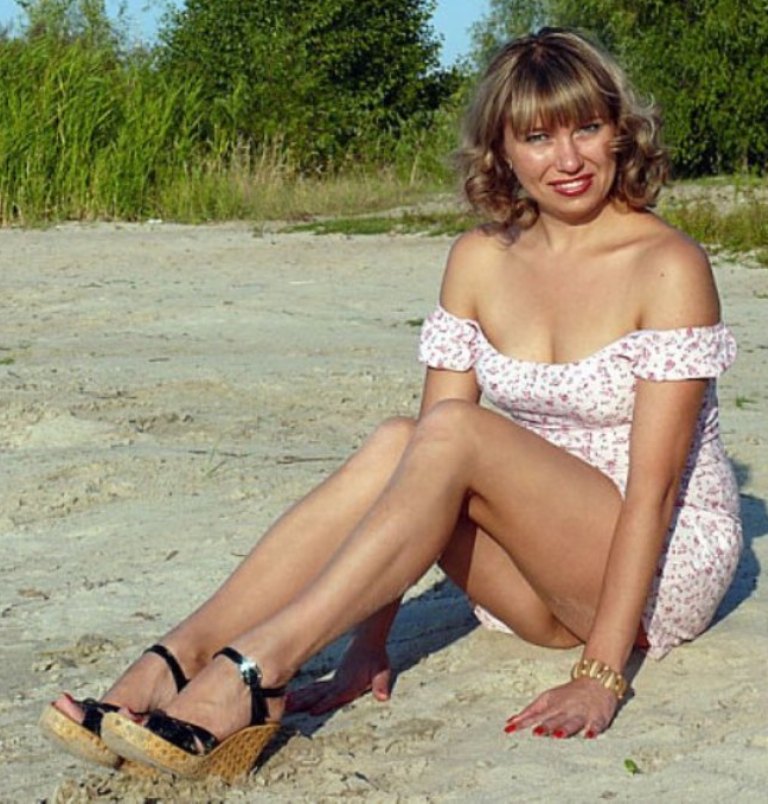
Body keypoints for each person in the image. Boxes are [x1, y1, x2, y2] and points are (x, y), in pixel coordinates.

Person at [40, 27, 742, 782]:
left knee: (454, 430)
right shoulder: (479, 259)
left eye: (587, 128)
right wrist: (371, 643)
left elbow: (654, 492)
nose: (567, 159)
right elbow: (418, 472)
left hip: (655, 567)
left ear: (620, 132)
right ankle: (182, 654)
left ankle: (258, 669)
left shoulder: (667, 265)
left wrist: (600, 676)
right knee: (397, 439)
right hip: (538, 579)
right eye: (538, 137)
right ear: (502, 151)